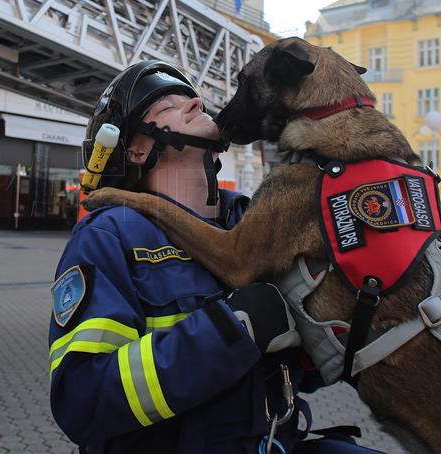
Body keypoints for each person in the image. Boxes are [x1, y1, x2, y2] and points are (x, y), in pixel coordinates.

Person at [48, 61, 381, 454]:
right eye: (168, 106)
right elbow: (83, 401)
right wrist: (233, 329)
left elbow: (309, 373)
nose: (195, 103)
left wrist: (346, 323)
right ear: (137, 149)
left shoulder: (258, 221)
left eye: (192, 99)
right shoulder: (112, 235)